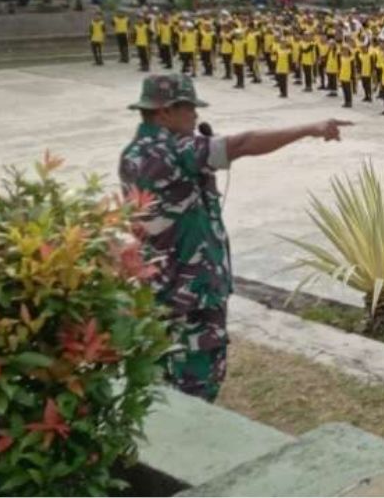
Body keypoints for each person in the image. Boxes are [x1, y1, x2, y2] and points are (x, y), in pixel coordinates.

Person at [119, 74, 348, 401]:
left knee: (162, 368)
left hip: (161, 282)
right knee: (196, 378)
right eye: (188, 109)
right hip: (190, 290)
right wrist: (309, 128)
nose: (195, 116)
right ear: (165, 112)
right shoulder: (169, 150)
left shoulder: (135, 152)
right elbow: (242, 144)